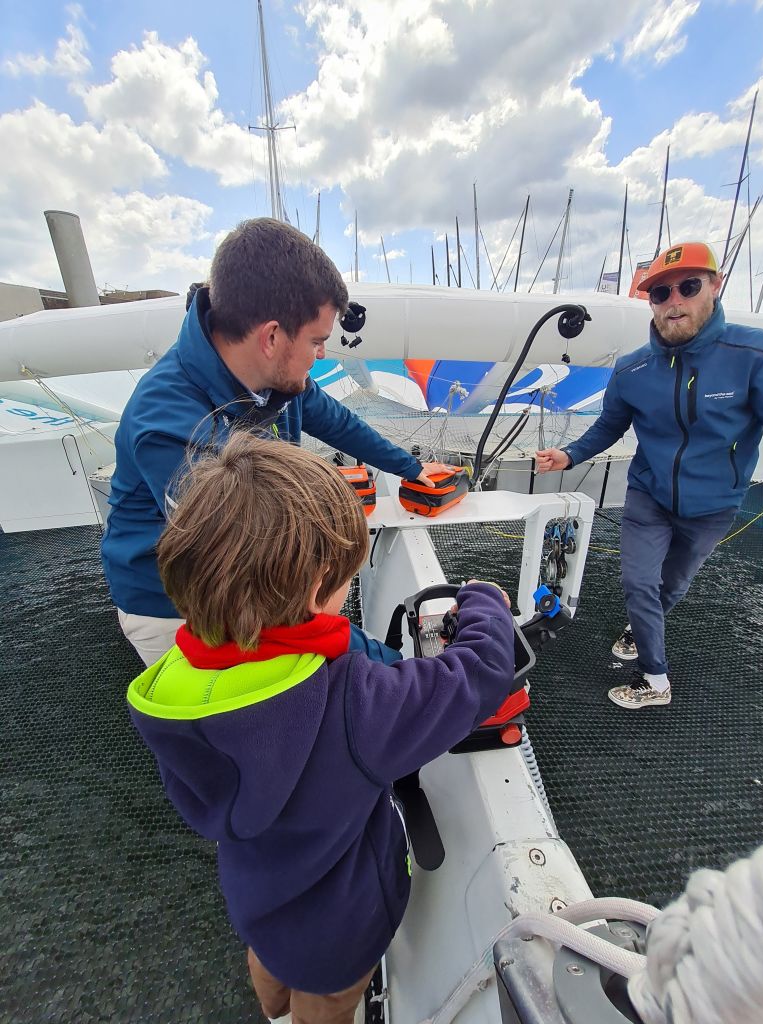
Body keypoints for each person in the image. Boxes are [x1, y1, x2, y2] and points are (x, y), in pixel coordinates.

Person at [126, 432, 518, 1024]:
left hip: (257, 904)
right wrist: (485, 600)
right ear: (317, 591)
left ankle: (273, 1012)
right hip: (339, 931)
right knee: (326, 1007)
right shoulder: (354, 702)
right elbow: (476, 675)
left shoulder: (172, 688)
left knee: (270, 969)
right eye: (345, 581)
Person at [102, 217, 448, 667]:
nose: (321, 354)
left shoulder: (278, 377)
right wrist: (392, 665)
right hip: (174, 608)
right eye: (317, 341)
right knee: (240, 709)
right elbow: (256, 566)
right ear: (271, 337)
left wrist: (410, 467)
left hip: (247, 568)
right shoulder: (169, 421)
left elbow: (337, 422)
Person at [536, 241, 763, 710]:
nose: (674, 301)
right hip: (648, 496)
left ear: (715, 285)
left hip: (714, 506)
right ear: (651, 302)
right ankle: (654, 679)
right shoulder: (632, 368)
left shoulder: (754, 353)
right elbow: (609, 426)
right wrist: (569, 454)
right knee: (639, 583)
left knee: (672, 585)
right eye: (661, 293)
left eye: (688, 286)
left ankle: (638, 630)